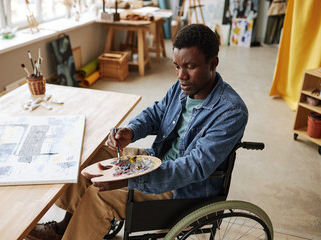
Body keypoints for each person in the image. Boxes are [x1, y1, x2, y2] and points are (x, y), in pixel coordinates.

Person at [26, 23, 248, 240]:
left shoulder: (231, 111)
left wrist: (128, 180)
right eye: (177, 66)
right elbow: (155, 113)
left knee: (99, 197)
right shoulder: (182, 88)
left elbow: (194, 167)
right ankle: (66, 227)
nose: (181, 75)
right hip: (155, 159)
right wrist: (131, 131)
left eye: (190, 67)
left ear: (213, 63)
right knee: (89, 160)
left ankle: (78, 228)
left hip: (182, 187)